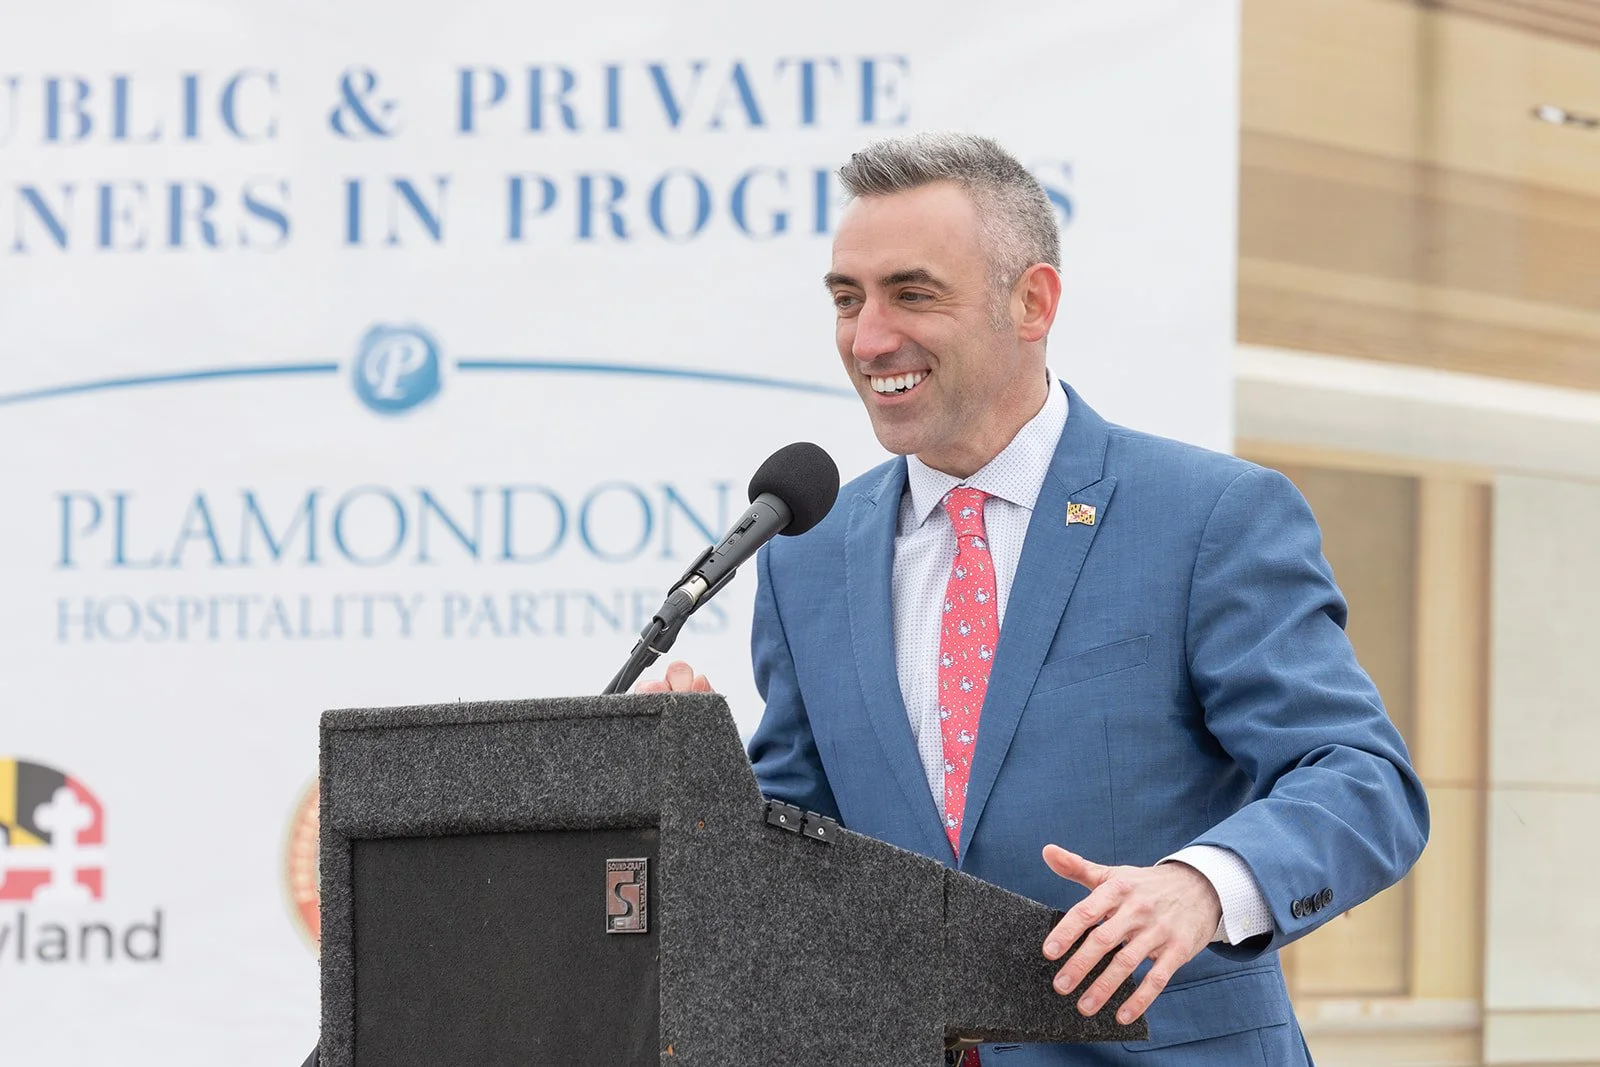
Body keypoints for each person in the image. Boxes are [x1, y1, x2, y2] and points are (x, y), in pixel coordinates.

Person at [641, 132, 1428, 1066]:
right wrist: (697, 788)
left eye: (912, 294)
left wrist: (1200, 886)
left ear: (1033, 301)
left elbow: (1363, 780)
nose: (869, 338)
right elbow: (802, 853)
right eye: (848, 299)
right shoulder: (804, 553)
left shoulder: (1209, 516)